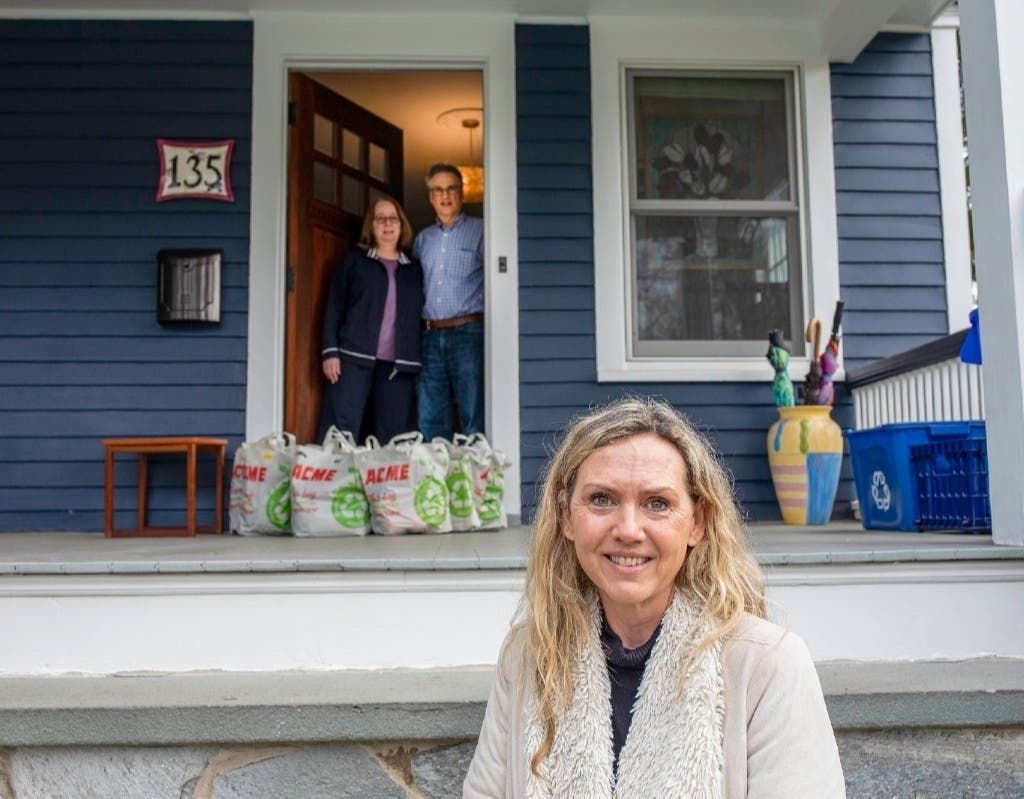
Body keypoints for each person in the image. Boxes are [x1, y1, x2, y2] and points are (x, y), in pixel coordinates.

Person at [463, 397, 845, 798]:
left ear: (697, 522)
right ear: (566, 517)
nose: (628, 529)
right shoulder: (529, 656)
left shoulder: (767, 664)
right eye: (602, 499)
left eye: (657, 504)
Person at [318, 196, 424, 444]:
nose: (387, 225)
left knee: (395, 436)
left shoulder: (414, 269)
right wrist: (330, 352)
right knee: (342, 429)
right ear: (371, 225)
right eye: (380, 219)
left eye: (393, 219)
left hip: (398, 366)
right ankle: (335, 482)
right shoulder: (354, 262)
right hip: (352, 357)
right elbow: (334, 307)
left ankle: (390, 483)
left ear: (402, 224)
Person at [413, 163, 485, 440]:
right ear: (431, 197)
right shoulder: (423, 240)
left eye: (451, 188)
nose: (445, 195)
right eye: (438, 190)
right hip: (430, 335)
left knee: (472, 413)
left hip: (468, 333)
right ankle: (435, 480)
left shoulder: (481, 231)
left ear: (461, 193)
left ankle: (475, 481)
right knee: (431, 417)